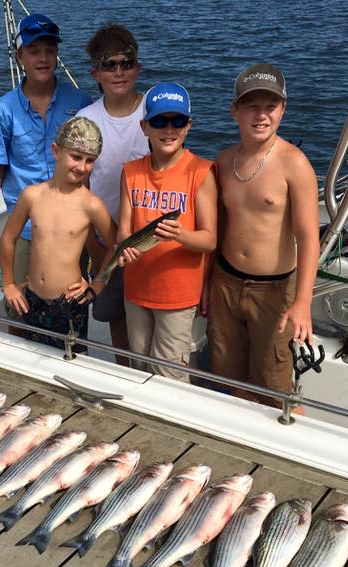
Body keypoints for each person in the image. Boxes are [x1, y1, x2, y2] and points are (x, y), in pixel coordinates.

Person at [207, 63, 319, 409]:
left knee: (275, 381)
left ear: (282, 110)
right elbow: (218, 228)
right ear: (234, 111)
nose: (261, 115)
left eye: (270, 106)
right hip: (225, 283)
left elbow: (309, 237)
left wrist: (302, 302)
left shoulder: (294, 164)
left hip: (274, 291)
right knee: (227, 376)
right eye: (251, 106)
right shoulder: (224, 161)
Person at [0, 13, 92, 319]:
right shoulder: (4, 109)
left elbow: (91, 166)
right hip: (24, 227)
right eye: (34, 51)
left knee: (72, 305)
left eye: (50, 50)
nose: (43, 58)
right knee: (20, 307)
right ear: (19, 56)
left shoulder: (80, 102)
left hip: (71, 226)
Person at [115, 82, 217, 382]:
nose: (169, 129)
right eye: (159, 121)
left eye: (178, 121)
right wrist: (124, 250)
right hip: (135, 291)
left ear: (189, 125)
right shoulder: (130, 171)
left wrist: (180, 235)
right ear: (145, 127)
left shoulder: (201, 172)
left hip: (178, 296)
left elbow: (209, 239)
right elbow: (123, 231)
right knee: (138, 367)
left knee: (169, 376)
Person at [0, 117, 116, 350]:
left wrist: (98, 284)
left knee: (71, 360)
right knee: (32, 356)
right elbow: (8, 238)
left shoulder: (91, 205)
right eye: (75, 156)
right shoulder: (32, 196)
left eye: (90, 160)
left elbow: (116, 245)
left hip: (71, 302)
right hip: (31, 298)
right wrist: (8, 284)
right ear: (56, 151)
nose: (82, 167)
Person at [76, 24, 150, 364]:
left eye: (126, 62)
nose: (118, 71)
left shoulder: (158, 112)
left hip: (152, 239)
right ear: (95, 73)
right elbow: (81, 190)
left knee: (153, 319)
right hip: (106, 243)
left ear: (137, 67)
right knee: (116, 316)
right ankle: (126, 375)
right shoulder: (85, 120)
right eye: (109, 65)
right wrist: (94, 245)